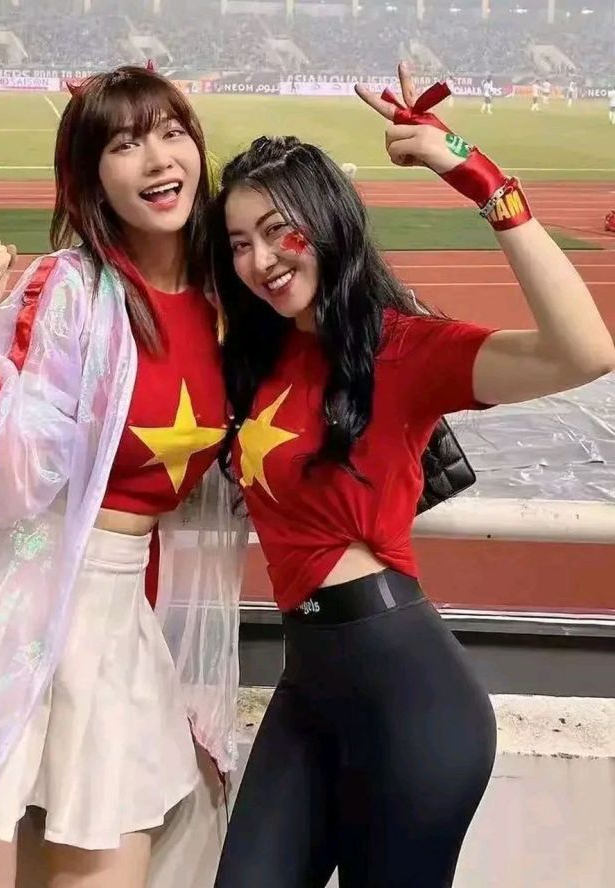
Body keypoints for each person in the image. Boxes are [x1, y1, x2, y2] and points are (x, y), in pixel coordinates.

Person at [209, 65, 615, 888]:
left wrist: (475, 172)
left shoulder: (400, 349)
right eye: (240, 243)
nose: (260, 259)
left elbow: (584, 352)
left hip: (408, 695)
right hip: (306, 687)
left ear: (326, 222)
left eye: (279, 231)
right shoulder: (254, 357)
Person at [0, 65, 248, 888]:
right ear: (91, 179)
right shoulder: (74, 290)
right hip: (8, 617)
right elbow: (7, 488)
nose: (158, 159)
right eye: (125, 144)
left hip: (116, 628)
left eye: (171, 133)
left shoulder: (228, 299)